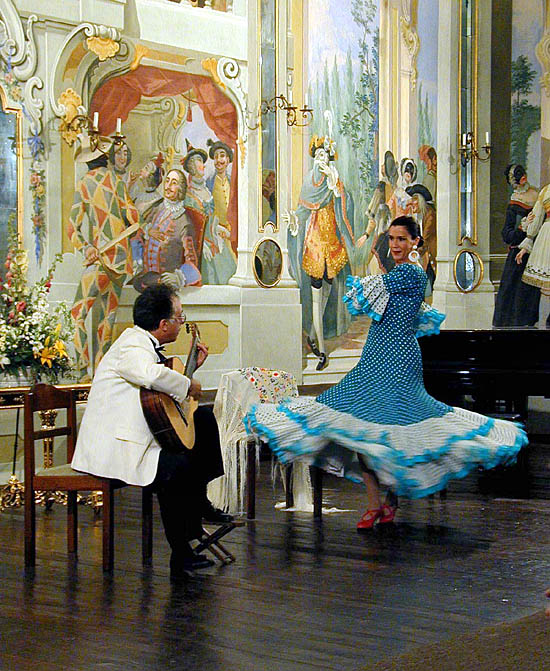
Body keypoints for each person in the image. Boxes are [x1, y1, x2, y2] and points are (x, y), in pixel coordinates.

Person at [245, 216, 527, 531]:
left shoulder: (410, 272)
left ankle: (378, 504)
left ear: (415, 242)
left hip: (398, 362)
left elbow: (361, 292)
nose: (395, 245)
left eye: (402, 240)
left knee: (387, 428)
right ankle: (381, 503)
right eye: (391, 239)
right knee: (362, 428)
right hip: (375, 359)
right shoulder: (399, 273)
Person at [71, 283, 233, 576]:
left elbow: (160, 397)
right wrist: (189, 383)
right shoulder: (132, 345)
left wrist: (191, 368)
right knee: (176, 467)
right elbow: (151, 375)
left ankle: (199, 504)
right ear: (163, 324)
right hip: (114, 447)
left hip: (138, 439)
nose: (182, 323)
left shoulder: (145, 344)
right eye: (180, 317)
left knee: (205, 420)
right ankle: (180, 554)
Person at [67, 136, 141, 379]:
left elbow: (72, 228)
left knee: (77, 314)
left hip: (100, 260)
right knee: (106, 322)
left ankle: (81, 374)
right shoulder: (117, 181)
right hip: (120, 263)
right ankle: (101, 376)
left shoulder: (85, 183)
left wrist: (86, 247)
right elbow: (134, 218)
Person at [286, 135, 355, 371]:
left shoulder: (333, 180)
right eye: (317, 155)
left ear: (329, 158)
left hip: (332, 240)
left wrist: (336, 186)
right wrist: (294, 221)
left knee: (326, 289)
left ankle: (314, 336)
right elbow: (302, 212)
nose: (321, 159)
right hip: (315, 241)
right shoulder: (309, 183)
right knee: (317, 292)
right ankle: (322, 351)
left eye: (324, 155)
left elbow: (343, 205)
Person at [136, 168, 202, 292]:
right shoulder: (156, 208)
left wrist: (179, 277)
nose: (169, 186)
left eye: (174, 183)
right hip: (145, 281)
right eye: (167, 181)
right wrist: (147, 230)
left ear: (181, 188)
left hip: (165, 285)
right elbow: (138, 230)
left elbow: (192, 260)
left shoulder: (184, 222)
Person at [493, 164, 539, 328]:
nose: (522, 177)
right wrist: (522, 228)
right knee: (513, 297)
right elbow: (507, 235)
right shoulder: (514, 204)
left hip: (536, 253)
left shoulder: (537, 195)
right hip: (518, 257)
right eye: (518, 175)